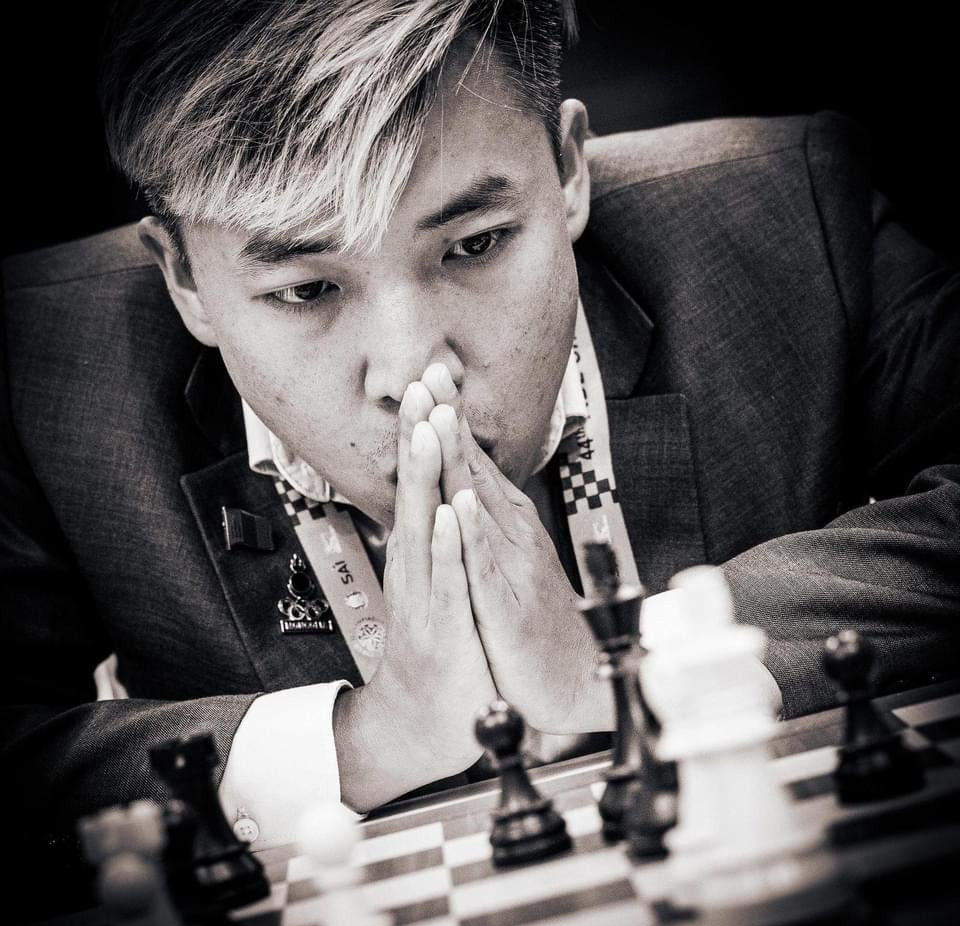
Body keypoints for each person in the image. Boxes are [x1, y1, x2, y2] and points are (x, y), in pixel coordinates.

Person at [1, 0, 957, 852]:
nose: (417, 373)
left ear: (568, 167)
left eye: (476, 243)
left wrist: (624, 664)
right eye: (304, 289)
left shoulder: (796, 212)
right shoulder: (34, 362)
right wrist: (369, 739)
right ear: (183, 277)